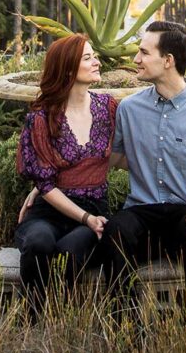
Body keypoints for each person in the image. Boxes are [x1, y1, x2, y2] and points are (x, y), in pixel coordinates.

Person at [102, 20, 186, 310]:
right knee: (115, 230)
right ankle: (125, 327)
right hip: (140, 213)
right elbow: (107, 161)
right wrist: (46, 185)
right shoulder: (129, 109)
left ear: (168, 61)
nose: (136, 60)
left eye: (143, 53)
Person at [15, 33, 117, 315]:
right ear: (69, 68)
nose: (97, 62)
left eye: (94, 55)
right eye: (88, 58)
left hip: (93, 212)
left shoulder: (108, 108)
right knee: (38, 243)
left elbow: (123, 156)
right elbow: (46, 183)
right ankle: (33, 321)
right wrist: (40, 187)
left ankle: (65, 322)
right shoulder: (41, 117)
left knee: (71, 252)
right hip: (50, 212)